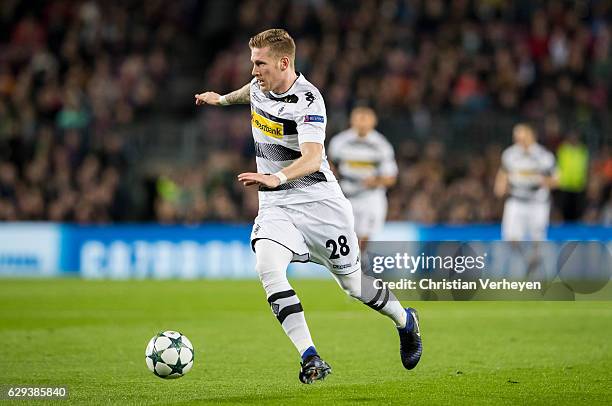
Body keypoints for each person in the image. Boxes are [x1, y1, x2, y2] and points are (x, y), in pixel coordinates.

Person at [195, 29, 421, 384]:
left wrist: (278, 176)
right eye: (252, 63)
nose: (253, 71)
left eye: (260, 64)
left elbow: (313, 158)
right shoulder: (259, 87)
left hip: (320, 205)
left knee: (353, 285)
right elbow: (249, 93)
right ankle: (310, 356)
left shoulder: (309, 101)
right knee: (268, 267)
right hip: (276, 206)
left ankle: (405, 321)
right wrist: (221, 100)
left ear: (284, 63)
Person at [328, 107, 398, 255]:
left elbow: (391, 178)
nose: (362, 122)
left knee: (365, 237)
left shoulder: (381, 145)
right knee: (347, 236)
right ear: (352, 120)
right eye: (359, 118)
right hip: (346, 196)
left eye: (365, 118)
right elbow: (330, 166)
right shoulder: (339, 142)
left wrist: (375, 181)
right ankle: (353, 266)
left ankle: (357, 264)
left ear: (373, 122)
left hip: (370, 198)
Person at [494, 123, 557, 241]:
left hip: (537, 202)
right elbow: (503, 173)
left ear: (531, 136)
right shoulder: (510, 154)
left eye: (522, 136)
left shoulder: (544, 156)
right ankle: (516, 259)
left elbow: (556, 180)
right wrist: (500, 187)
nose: (519, 139)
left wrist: (538, 179)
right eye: (517, 136)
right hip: (516, 201)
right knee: (510, 239)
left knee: (537, 241)